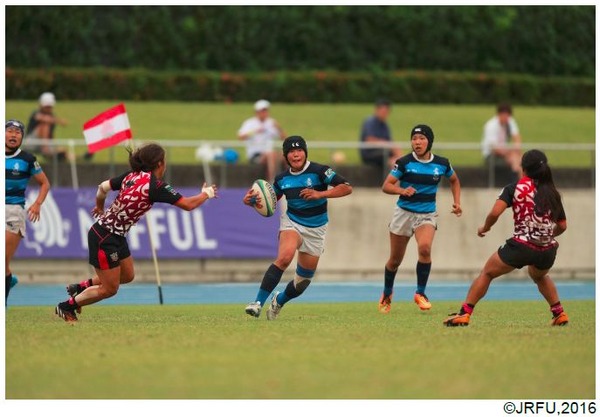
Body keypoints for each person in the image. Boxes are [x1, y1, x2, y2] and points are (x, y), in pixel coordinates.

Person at [55, 143, 218, 322]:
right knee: (110, 289)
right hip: (104, 237)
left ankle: (82, 287)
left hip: (114, 234)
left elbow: (102, 187)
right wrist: (206, 193)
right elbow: (188, 205)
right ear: (160, 164)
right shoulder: (155, 186)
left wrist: (99, 207)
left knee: (127, 275)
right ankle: (67, 306)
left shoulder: (131, 176)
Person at [444, 149, 568, 327]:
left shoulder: (514, 188)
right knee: (540, 276)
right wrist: (545, 234)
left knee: (487, 273)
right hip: (547, 250)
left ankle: (464, 313)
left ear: (523, 168)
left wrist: (485, 227)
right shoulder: (552, 193)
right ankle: (559, 313)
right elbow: (562, 226)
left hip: (522, 246)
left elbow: (495, 212)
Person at [243, 135, 352, 320]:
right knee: (284, 258)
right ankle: (257, 303)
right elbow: (270, 203)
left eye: (299, 150)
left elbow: (346, 187)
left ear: (305, 152)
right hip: (292, 222)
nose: (296, 155)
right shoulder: (281, 179)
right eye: (291, 152)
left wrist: (320, 194)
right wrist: (252, 201)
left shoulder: (320, 171)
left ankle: (279, 300)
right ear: (286, 156)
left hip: (316, 229)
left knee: (302, 283)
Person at [378, 124, 462, 313]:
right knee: (394, 260)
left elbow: (455, 180)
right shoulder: (404, 162)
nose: (417, 142)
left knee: (425, 248)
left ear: (429, 141)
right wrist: (402, 190)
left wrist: (457, 202)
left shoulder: (442, 164)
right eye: (414, 139)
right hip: (403, 214)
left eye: (422, 138)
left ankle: (420, 293)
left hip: (426, 214)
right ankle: (387, 293)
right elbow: (386, 185)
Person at [5, 119, 51, 305]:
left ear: (22, 137)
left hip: (13, 211)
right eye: (9, 131)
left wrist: (37, 203)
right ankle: (8, 278)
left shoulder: (27, 159)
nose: (13, 135)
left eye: (18, 132)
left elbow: (45, 183)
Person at [237, 99, 286, 183]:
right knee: (271, 155)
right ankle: (272, 182)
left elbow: (284, 138)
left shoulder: (271, 123)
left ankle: (289, 180)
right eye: (262, 111)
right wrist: (254, 131)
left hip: (269, 152)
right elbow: (240, 137)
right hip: (255, 154)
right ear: (257, 112)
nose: (264, 113)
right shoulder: (249, 123)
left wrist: (278, 128)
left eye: (266, 110)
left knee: (287, 154)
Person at [481, 103, 522, 185]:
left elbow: (516, 137)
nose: (506, 118)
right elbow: (494, 149)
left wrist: (516, 149)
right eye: (504, 116)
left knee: (520, 158)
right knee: (515, 159)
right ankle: (518, 184)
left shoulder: (510, 121)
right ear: (499, 114)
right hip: (491, 155)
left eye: (508, 116)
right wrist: (510, 153)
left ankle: (520, 185)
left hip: (504, 152)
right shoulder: (491, 125)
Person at [24, 92, 72, 161]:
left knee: (63, 151)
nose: (48, 108)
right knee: (45, 124)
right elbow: (42, 118)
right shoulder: (36, 113)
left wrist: (54, 146)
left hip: (45, 143)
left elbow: (51, 135)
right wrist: (60, 121)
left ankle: (80, 158)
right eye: (46, 106)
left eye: (50, 107)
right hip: (31, 143)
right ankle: (46, 150)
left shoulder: (52, 116)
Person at [359, 98, 403, 171]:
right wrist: (387, 144)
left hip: (383, 153)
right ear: (377, 110)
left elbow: (390, 141)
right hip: (370, 154)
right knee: (393, 160)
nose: (385, 114)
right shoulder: (370, 122)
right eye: (383, 111)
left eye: (387, 112)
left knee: (398, 158)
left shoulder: (385, 125)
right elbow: (369, 140)